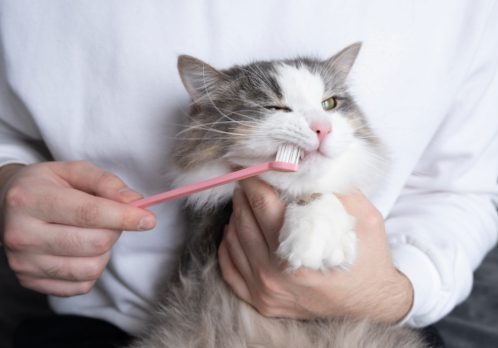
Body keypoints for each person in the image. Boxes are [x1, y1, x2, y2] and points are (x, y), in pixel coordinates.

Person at [1, 1, 497, 347]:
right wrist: (6, 183)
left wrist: (396, 290)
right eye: (278, 107)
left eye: (330, 103)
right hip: (114, 323)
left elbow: (467, 187)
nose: (319, 126)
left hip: (375, 318)